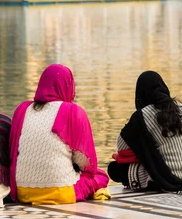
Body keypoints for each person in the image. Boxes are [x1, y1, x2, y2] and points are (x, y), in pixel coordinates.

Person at [108, 71, 182, 194]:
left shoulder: (143, 115)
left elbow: (121, 146)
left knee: (114, 169)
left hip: (174, 178)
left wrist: (145, 150)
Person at [9, 64, 110, 205]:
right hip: (61, 192)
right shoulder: (72, 111)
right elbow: (86, 165)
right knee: (99, 175)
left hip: (21, 191)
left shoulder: (22, 109)